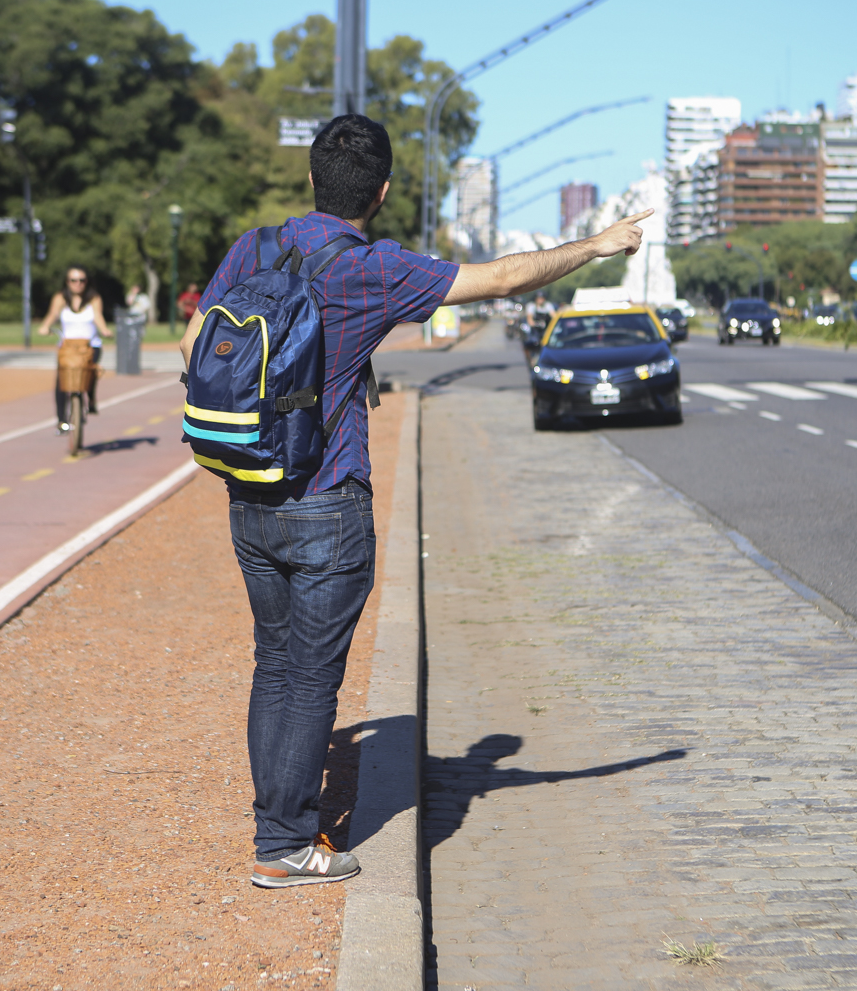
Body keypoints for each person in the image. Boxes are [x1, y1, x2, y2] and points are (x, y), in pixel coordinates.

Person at [179, 113, 647, 889]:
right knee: (309, 678)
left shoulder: (254, 247)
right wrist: (598, 244)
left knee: (273, 662)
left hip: (250, 491)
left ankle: (278, 827)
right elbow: (503, 278)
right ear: (384, 192)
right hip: (326, 498)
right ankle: (285, 844)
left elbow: (194, 344)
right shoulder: (376, 268)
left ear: (311, 178)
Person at [38, 266, 112, 431]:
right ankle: (62, 421)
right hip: (68, 347)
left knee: (90, 371)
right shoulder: (60, 298)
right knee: (61, 380)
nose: (78, 284)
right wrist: (45, 326)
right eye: (73, 280)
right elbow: (53, 314)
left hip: (90, 345)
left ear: (87, 282)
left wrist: (104, 330)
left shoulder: (93, 298)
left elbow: (98, 316)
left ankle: (91, 399)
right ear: (67, 282)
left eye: (81, 280)